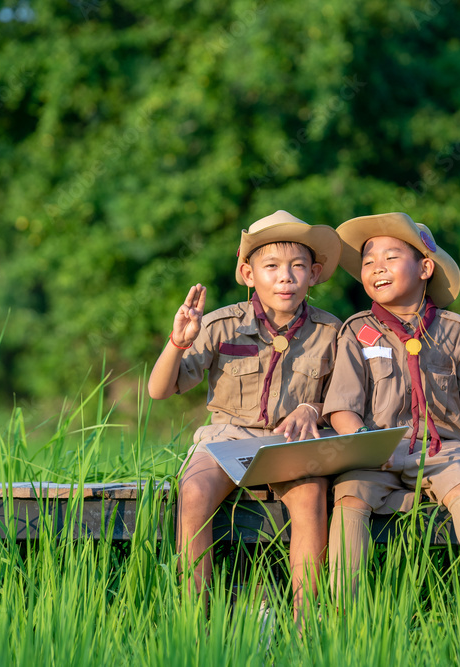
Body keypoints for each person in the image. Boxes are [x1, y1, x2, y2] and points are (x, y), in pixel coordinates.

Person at [147, 210, 343, 624]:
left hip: (291, 445)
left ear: (315, 273)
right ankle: (192, 620)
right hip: (226, 440)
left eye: (297, 267)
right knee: (194, 492)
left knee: (311, 496)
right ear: (248, 273)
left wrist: (312, 409)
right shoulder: (220, 325)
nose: (285, 277)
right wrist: (177, 343)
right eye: (271, 267)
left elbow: (348, 399)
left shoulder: (331, 332)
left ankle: (306, 623)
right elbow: (160, 390)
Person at [322, 212, 460, 600]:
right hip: (378, 453)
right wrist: (362, 442)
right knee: (349, 492)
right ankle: (343, 597)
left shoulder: (457, 331)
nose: (377, 268)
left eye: (391, 258)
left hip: (441, 451)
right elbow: (342, 407)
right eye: (368, 261)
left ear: (425, 267)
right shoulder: (356, 332)